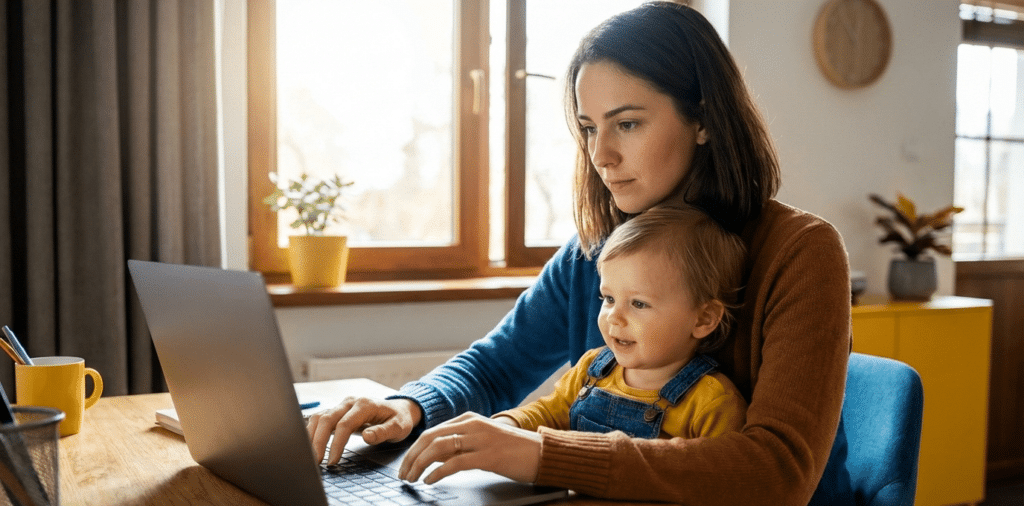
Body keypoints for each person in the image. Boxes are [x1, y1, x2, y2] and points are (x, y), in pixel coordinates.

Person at [308, 2, 851, 504]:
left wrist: (542, 454)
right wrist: (409, 406)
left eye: (627, 124)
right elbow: (495, 367)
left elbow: (778, 471)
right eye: (589, 128)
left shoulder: (800, 253)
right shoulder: (594, 251)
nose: (600, 154)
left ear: (704, 120)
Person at [493, 205, 748, 441]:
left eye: (638, 303)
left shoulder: (712, 402)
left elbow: (717, 470)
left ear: (704, 319)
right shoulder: (590, 368)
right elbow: (548, 411)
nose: (613, 316)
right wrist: (507, 424)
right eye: (609, 298)